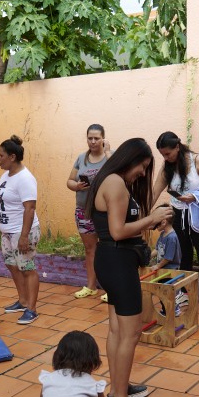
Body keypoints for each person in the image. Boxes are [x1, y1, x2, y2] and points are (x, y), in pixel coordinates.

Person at [86, 138, 172, 397]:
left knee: (116, 330)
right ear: (130, 159)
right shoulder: (115, 183)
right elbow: (118, 231)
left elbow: (120, 228)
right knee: (131, 332)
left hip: (112, 262)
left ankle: (117, 389)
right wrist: (151, 219)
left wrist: (148, 220)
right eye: (143, 166)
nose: (142, 173)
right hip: (118, 263)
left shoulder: (110, 181)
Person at [154, 132, 199, 315]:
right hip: (178, 215)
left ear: (177, 147)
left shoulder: (197, 161)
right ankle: (183, 294)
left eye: (168, 153)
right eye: (162, 154)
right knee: (183, 256)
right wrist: (145, 214)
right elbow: (154, 192)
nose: (165, 158)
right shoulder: (167, 167)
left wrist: (194, 196)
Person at [0, 135, 41, 325]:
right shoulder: (6, 175)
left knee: (27, 268)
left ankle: (32, 309)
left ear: (12, 157)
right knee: (12, 265)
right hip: (7, 231)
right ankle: (23, 300)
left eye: (0, 155)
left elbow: (30, 208)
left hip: (21, 231)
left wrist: (24, 236)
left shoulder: (25, 178)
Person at [66, 124, 110, 299]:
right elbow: (69, 181)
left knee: (108, 248)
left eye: (97, 138)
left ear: (103, 138)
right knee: (90, 249)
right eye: (90, 138)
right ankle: (91, 286)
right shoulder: (81, 158)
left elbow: (119, 174)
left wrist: (108, 151)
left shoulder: (109, 156)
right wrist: (76, 186)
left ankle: (111, 289)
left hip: (105, 211)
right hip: (84, 210)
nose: (93, 142)